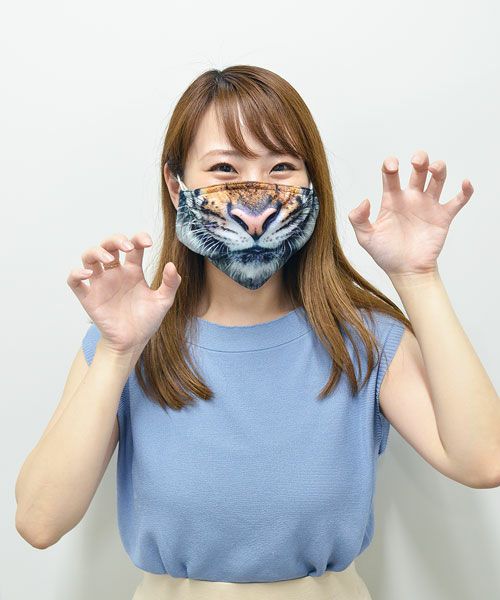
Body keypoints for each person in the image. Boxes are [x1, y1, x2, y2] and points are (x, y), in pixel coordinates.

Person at [16, 65, 495, 600]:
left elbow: (483, 460)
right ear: (176, 185)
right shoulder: (125, 344)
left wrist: (417, 277)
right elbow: (39, 521)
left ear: (313, 184)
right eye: (224, 167)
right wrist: (116, 352)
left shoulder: (365, 340)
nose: (255, 205)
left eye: (282, 167)